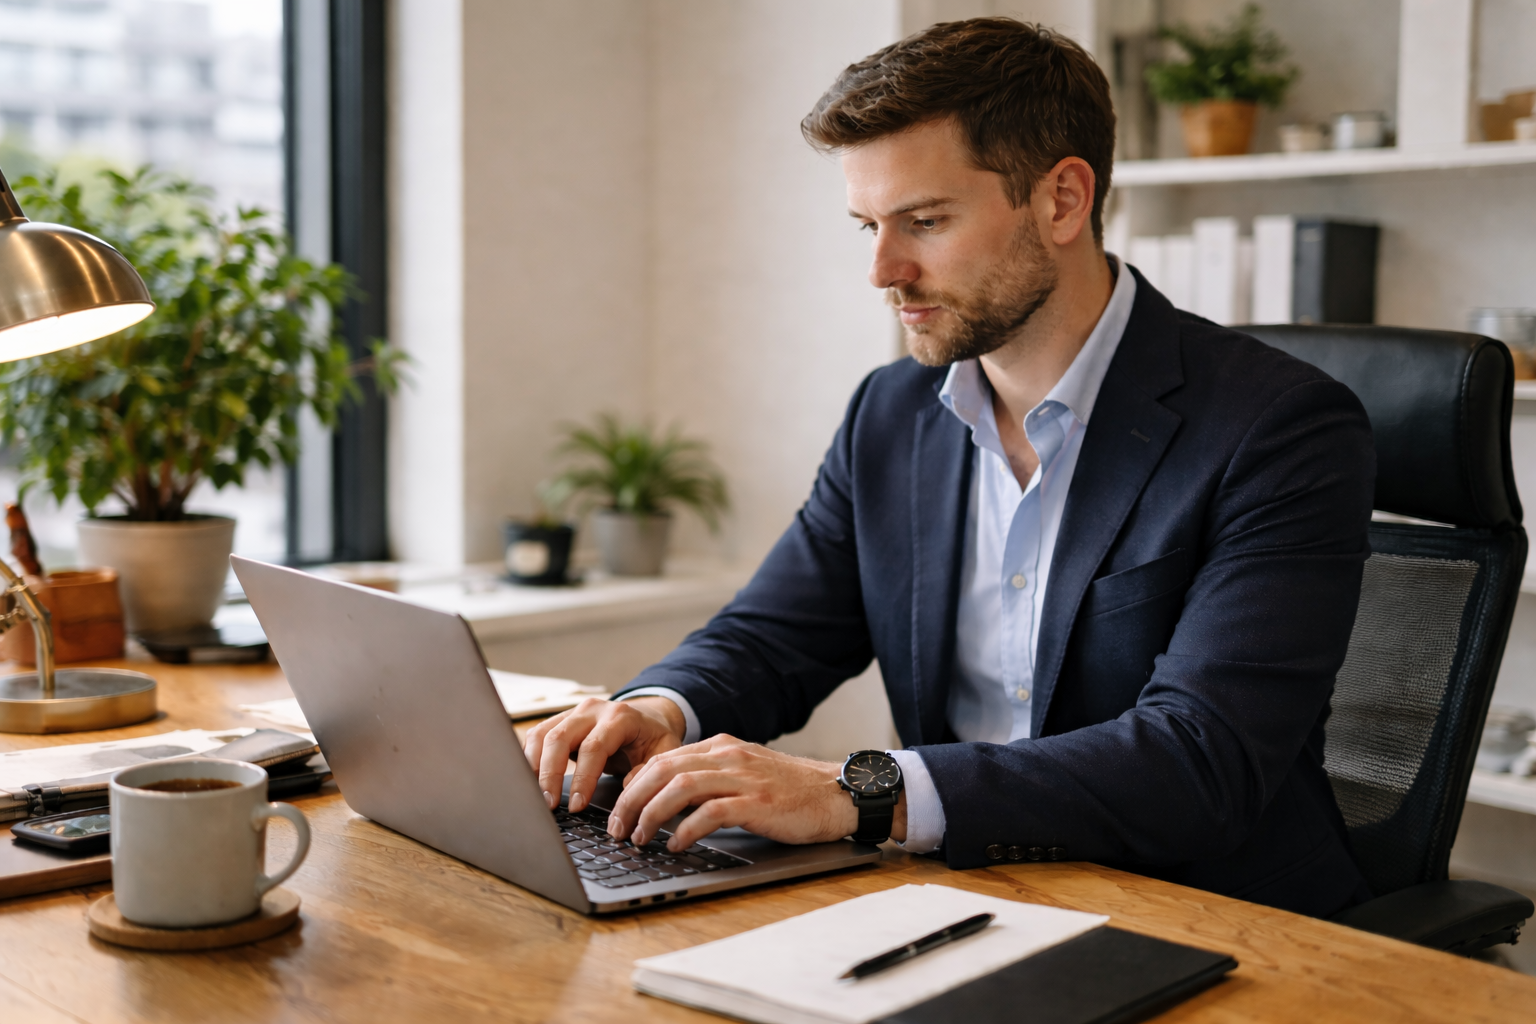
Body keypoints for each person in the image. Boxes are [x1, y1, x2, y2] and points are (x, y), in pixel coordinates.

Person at [523, 18, 1375, 917]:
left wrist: (858, 790)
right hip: (966, 896)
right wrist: (662, 708)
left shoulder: (1279, 428)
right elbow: (774, 633)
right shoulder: (890, 414)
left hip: (1211, 915)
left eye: (925, 222)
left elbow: (1201, 760)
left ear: (1062, 201)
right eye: (868, 226)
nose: (883, 270)